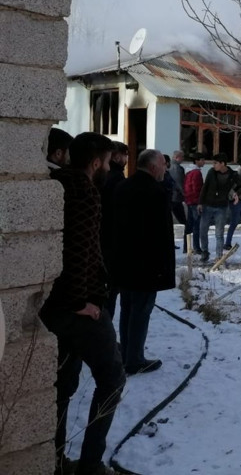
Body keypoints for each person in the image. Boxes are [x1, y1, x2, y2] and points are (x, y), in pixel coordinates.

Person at [38, 132, 126, 475]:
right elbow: (78, 252)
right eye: (107, 161)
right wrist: (81, 303)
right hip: (79, 308)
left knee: (62, 384)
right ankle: (90, 465)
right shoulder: (84, 191)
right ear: (95, 162)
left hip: (52, 306)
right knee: (113, 378)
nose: (108, 167)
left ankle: (55, 460)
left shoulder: (55, 184)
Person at [112, 149, 175, 375]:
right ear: (153, 167)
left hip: (124, 262)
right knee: (140, 312)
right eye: (163, 165)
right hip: (147, 265)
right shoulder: (155, 192)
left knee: (127, 308)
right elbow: (162, 235)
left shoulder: (122, 187)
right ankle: (134, 359)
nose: (165, 169)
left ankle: (128, 352)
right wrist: (164, 268)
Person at [198, 152, 241, 263]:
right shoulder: (211, 172)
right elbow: (204, 187)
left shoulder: (232, 175)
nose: (213, 165)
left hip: (221, 207)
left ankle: (219, 257)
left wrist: (236, 194)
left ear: (222, 164)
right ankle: (205, 252)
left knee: (219, 233)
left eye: (215, 163)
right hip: (208, 205)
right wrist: (200, 203)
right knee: (203, 230)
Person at [100, 141, 128, 318]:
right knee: (109, 293)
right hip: (111, 242)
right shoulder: (116, 179)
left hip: (101, 239)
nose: (127, 159)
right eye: (126, 155)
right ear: (117, 156)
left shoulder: (101, 176)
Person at [183, 152, 206, 254]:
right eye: (202, 160)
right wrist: (200, 201)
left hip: (189, 200)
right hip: (195, 201)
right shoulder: (196, 173)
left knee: (189, 224)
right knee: (196, 225)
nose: (204, 162)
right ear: (197, 161)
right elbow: (197, 188)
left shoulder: (188, 172)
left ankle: (186, 246)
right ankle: (196, 247)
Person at [168, 150, 187, 226]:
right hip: (176, 196)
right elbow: (179, 182)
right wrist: (185, 194)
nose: (183, 159)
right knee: (182, 218)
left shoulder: (169, 166)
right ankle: (187, 235)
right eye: (182, 157)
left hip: (172, 196)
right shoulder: (177, 168)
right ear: (177, 157)